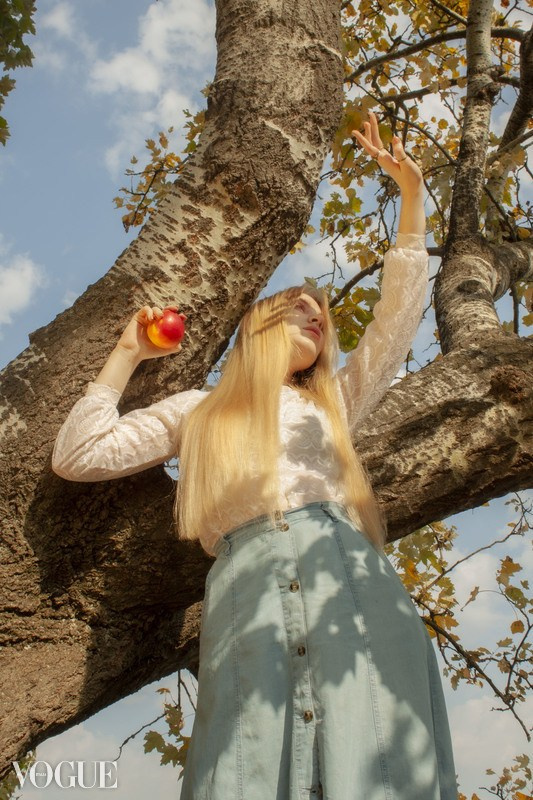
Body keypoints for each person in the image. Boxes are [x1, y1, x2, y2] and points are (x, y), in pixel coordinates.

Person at [52, 112, 458, 800]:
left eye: (320, 316)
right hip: (247, 587)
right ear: (258, 326)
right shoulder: (196, 411)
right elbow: (78, 454)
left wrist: (412, 202)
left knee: (378, 760)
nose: (315, 317)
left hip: (351, 585)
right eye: (297, 307)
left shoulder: (330, 405)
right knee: (244, 763)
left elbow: (396, 321)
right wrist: (126, 354)